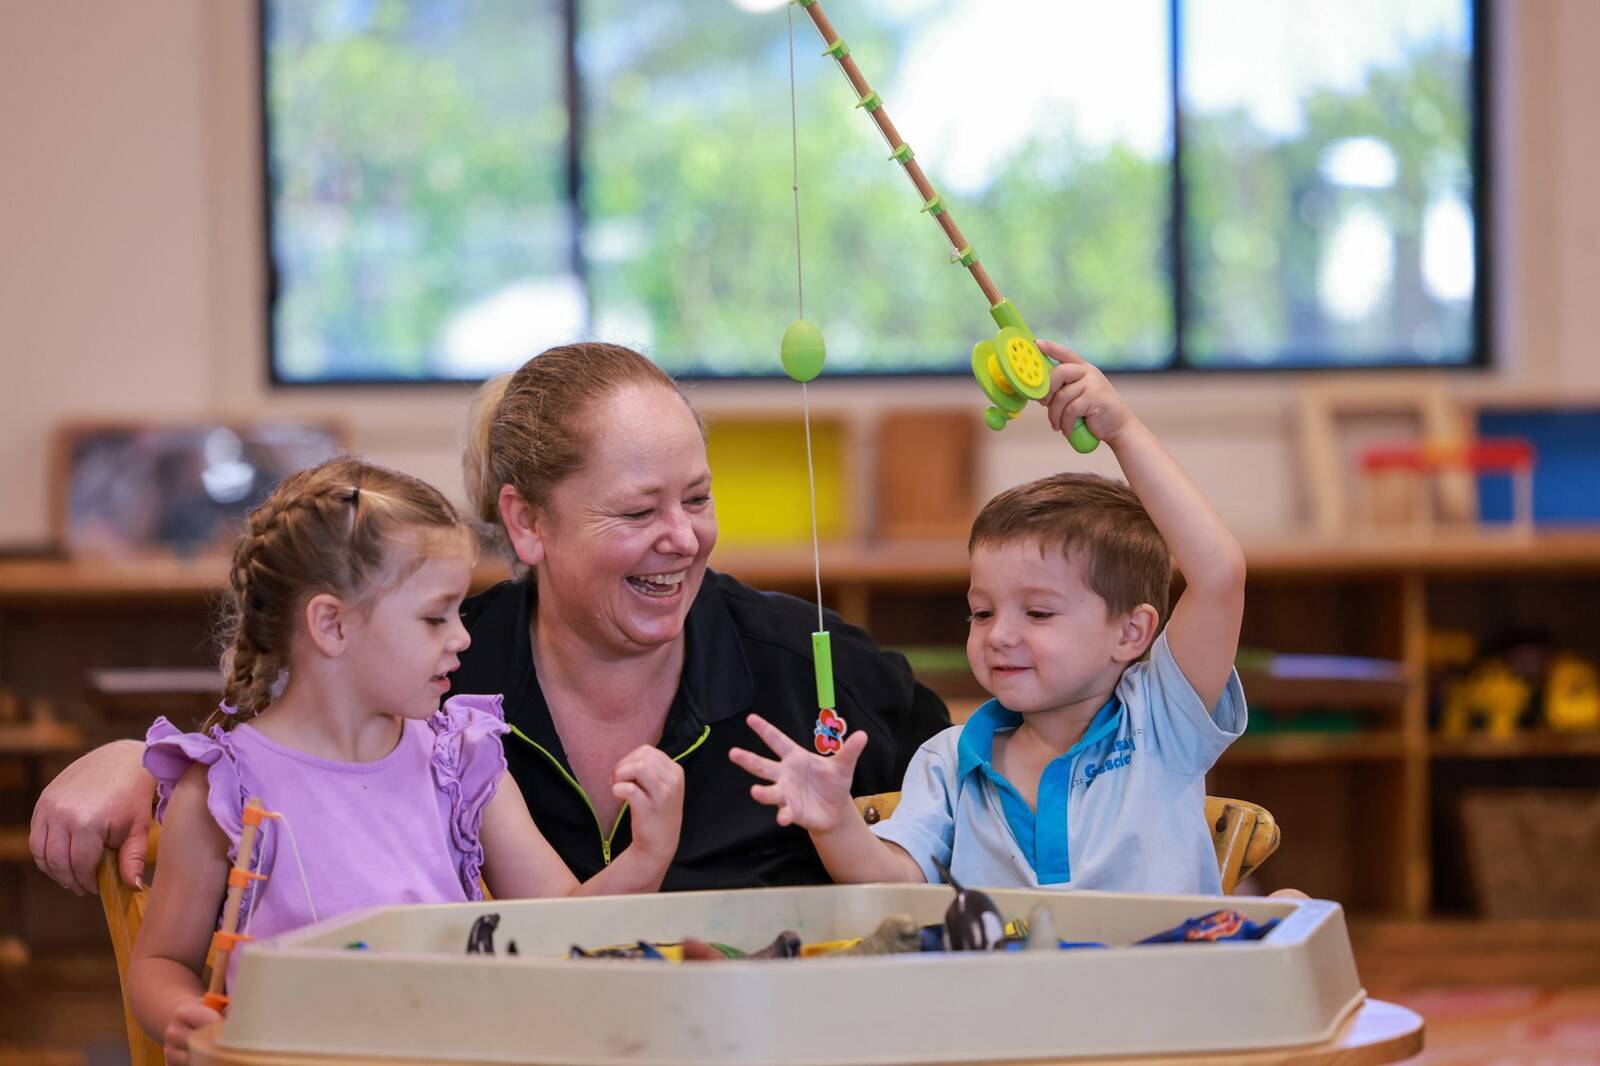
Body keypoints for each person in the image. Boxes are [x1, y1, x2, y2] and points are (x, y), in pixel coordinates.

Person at [31, 342, 950, 898]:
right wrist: (135, 769)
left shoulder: (806, 666)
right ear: (526, 523)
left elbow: (988, 773)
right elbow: (279, 758)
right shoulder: (434, 674)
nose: (683, 539)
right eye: (637, 513)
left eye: (698, 499)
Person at [130, 459, 683, 1065]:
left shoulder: (461, 762)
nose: (462, 638)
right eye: (433, 617)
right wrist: (184, 1018)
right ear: (332, 625)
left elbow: (562, 931)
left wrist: (646, 857)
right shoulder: (224, 789)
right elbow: (162, 963)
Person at [731, 341, 1250, 894]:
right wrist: (834, 823)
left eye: (1039, 612)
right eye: (981, 612)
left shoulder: (1162, 720)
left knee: (1292, 908)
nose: (998, 635)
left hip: (1157, 980)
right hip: (1003, 983)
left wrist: (1121, 431)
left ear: (1131, 632)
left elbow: (1219, 575)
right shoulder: (950, 758)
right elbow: (897, 883)